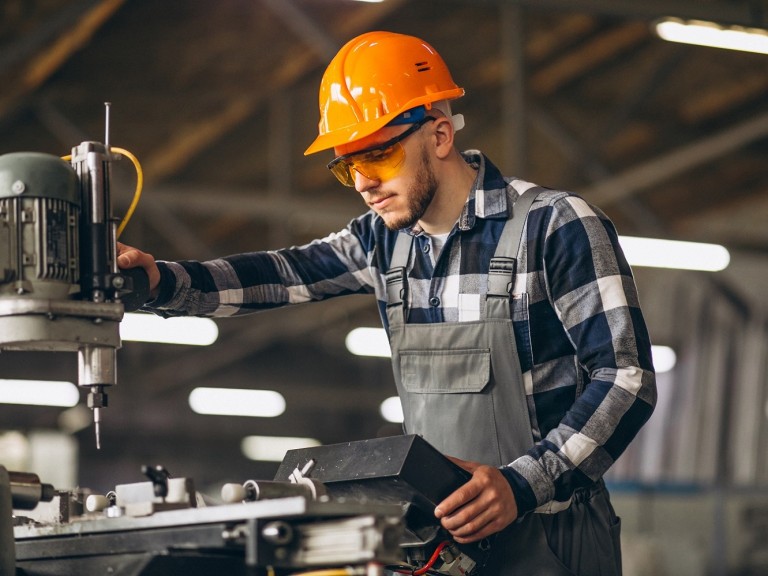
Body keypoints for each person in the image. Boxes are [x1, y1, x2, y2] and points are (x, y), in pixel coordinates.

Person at [118, 31, 656, 575]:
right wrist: (162, 281)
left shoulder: (554, 225)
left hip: (553, 539)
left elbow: (626, 379)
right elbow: (282, 273)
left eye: (378, 155)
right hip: (439, 547)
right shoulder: (383, 241)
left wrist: (522, 483)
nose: (362, 183)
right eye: (347, 165)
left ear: (440, 134)